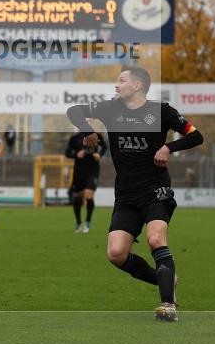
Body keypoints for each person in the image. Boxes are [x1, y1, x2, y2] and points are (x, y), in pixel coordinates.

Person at [66, 66, 204, 322]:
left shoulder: (162, 111)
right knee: (116, 254)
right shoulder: (110, 108)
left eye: (121, 80)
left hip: (155, 191)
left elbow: (196, 136)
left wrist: (167, 147)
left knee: (155, 239)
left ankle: (168, 305)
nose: (116, 86)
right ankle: (167, 280)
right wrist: (89, 130)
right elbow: (73, 111)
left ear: (137, 86)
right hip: (126, 196)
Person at [65, 129, 106, 233]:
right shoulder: (75, 137)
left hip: (93, 170)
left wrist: (100, 154)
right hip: (79, 171)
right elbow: (67, 153)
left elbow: (105, 146)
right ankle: (78, 222)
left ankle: (88, 221)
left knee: (89, 195)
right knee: (77, 198)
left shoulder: (96, 135)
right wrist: (76, 155)